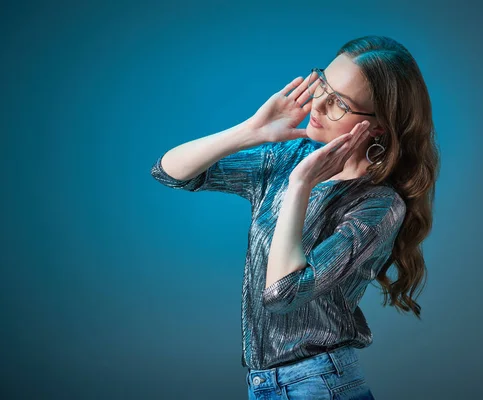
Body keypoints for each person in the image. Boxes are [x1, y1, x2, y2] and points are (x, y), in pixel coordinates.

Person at [151, 35, 438, 400]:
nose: (317, 103)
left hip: (319, 385)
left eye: (339, 103)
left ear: (378, 127)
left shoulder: (379, 206)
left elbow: (281, 294)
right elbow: (169, 172)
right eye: (323, 84)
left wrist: (301, 184)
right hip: (266, 386)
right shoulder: (289, 155)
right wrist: (248, 132)